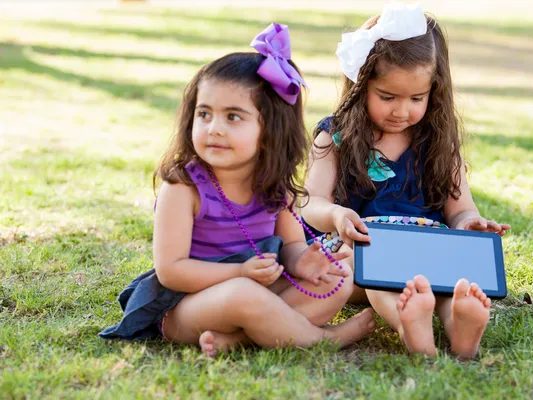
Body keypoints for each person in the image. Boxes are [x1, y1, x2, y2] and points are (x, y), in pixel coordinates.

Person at [99, 23, 375, 357]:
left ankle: (240, 340)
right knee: (244, 294)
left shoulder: (272, 185)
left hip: (255, 290)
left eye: (233, 117)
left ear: (270, 129)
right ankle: (323, 339)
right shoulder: (183, 188)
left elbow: (290, 246)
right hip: (187, 306)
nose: (214, 129)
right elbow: (171, 271)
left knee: (338, 277)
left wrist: (304, 262)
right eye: (205, 114)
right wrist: (240, 272)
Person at [301, 3, 510, 359]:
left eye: (417, 98)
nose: (402, 110)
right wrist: (336, 216)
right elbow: (311, 203)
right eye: (387, 97)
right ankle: (409, 323)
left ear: (435, 90)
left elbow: (460, 210)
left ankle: (459, 323)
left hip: (425, 245)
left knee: (450, 279)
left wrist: (468, 223)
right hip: (362, 247)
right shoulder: (334, 136)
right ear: (360, 84)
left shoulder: (439, 141)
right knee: (374, 271)